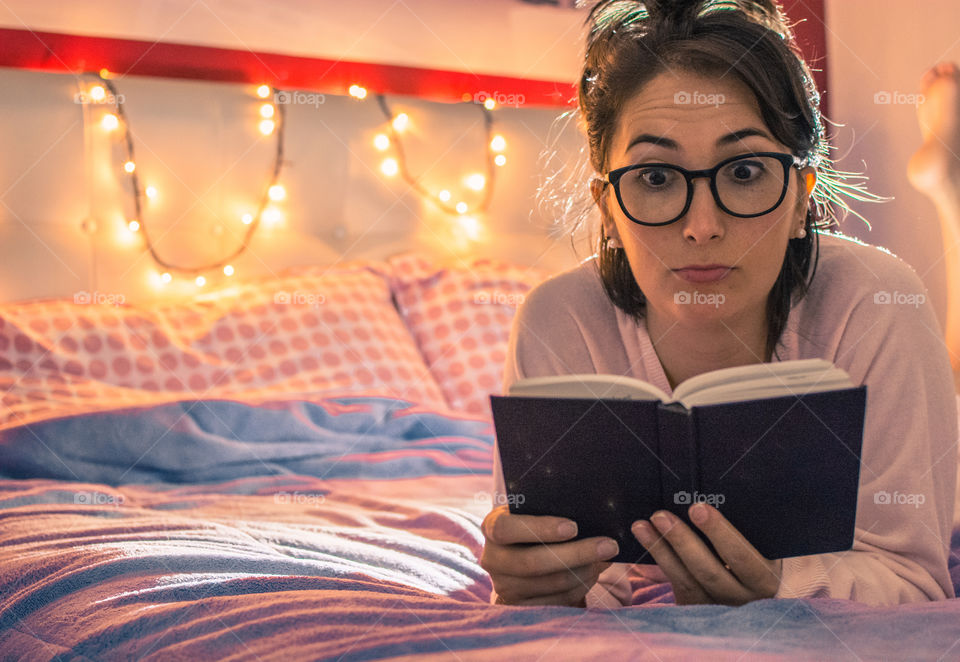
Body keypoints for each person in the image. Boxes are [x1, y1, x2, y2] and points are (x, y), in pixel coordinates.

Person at [480, 0, 959, 608]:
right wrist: (541, 585)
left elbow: (913, 580)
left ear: (800, 200)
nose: (702, 226)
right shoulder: (557, 321)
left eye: (745, 171)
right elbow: (560, 582)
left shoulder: (875, 304)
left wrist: (778, 589)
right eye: (655, 178)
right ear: (607, 208)